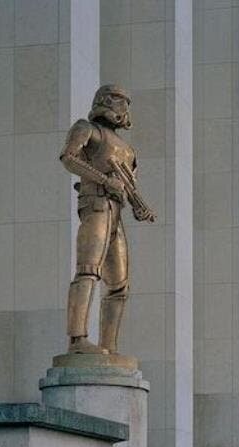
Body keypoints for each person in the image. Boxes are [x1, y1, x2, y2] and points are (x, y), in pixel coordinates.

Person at [60, 85, 157, 356]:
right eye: (118, 102)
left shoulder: (128, 149)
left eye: (125, 103)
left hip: (117, 210)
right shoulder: (87, 129)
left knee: (119, 285)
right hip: (96, 204)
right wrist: (104, 180)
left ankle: (109, 347)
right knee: (88, 269)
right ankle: (77, 340)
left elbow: (129, 186)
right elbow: (68, 158)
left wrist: (138, 206)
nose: (123, 108)